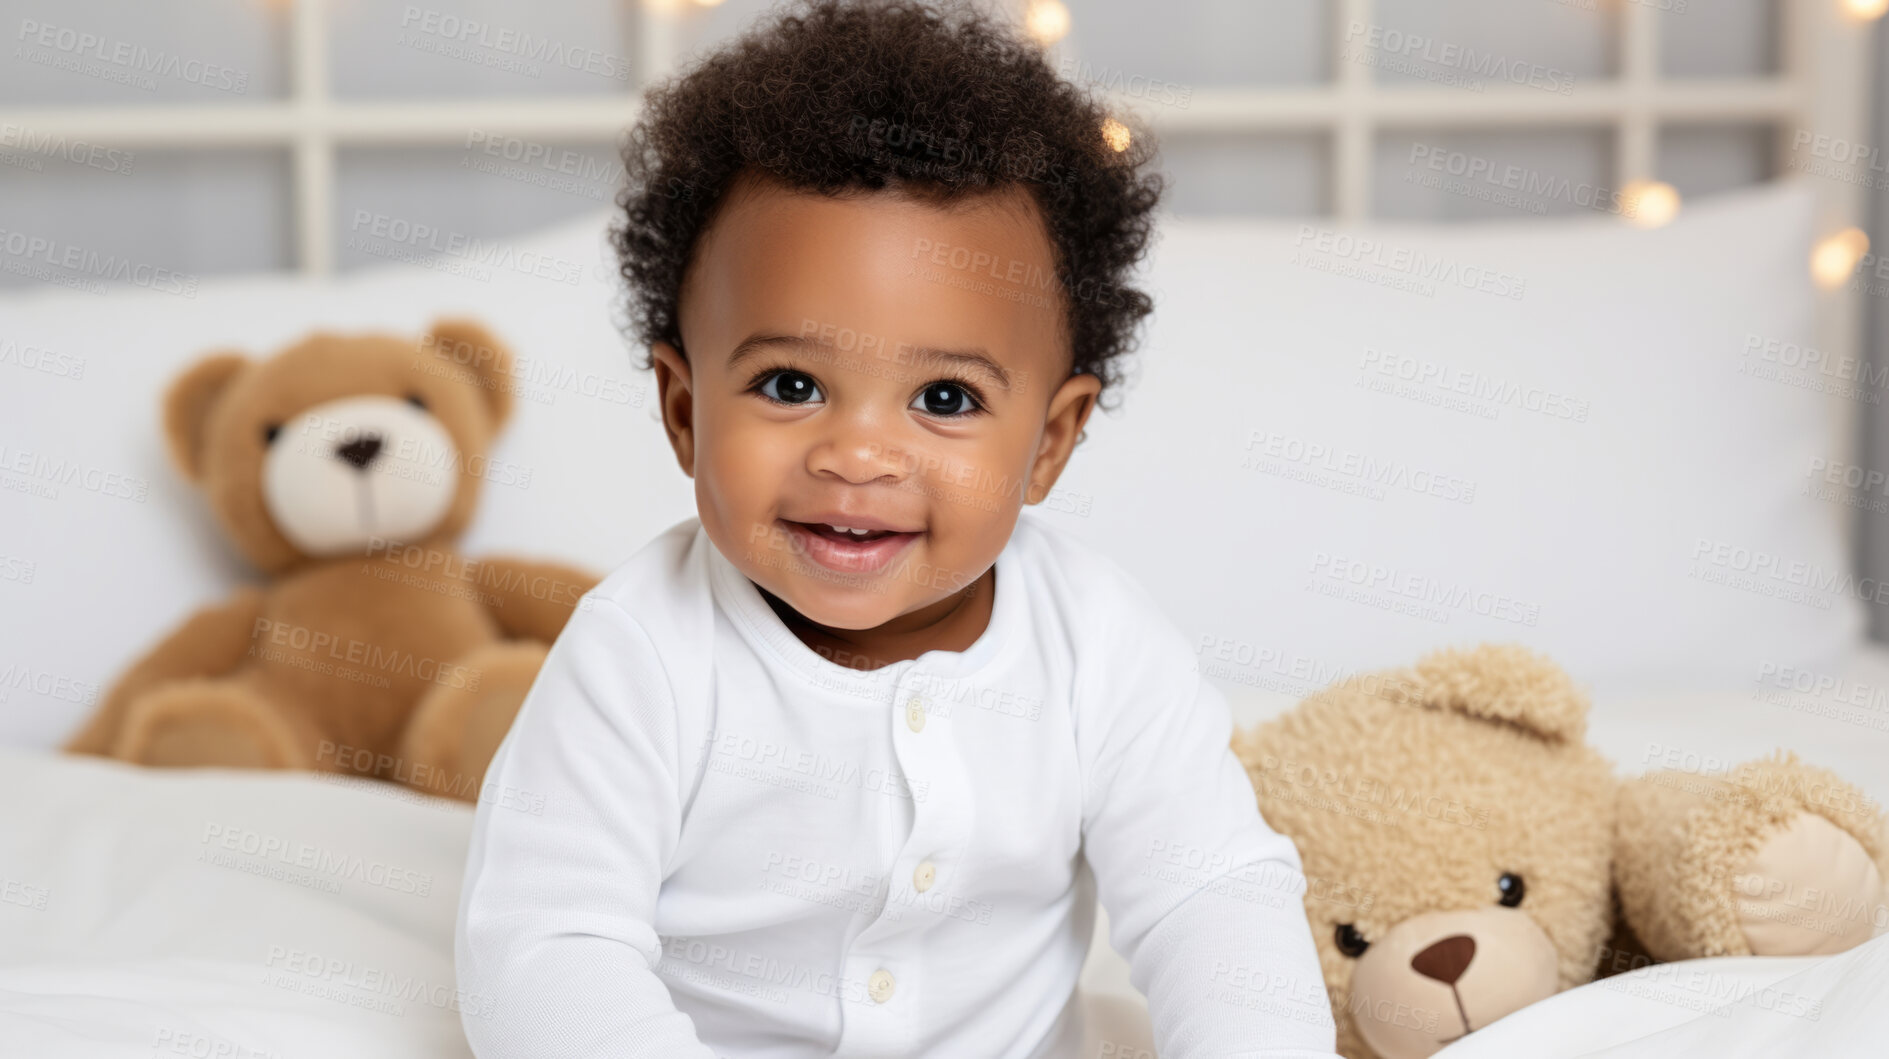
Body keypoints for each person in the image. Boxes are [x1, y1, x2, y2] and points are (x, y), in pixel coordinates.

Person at [455, 2, 1338, 1055]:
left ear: (1050, 441)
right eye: (790, 384)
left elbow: (1210, 893)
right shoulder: (639, 654)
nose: (858, 455)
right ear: (684, 412)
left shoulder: (1095, 641)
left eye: (946, 400)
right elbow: (545, 948)